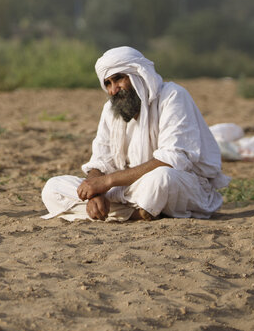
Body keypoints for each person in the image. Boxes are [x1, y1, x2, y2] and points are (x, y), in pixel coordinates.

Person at [41, 47, 229, 222]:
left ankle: (125, 211)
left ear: (139, 74)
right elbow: (100, 160)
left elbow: (172, 159)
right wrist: (94, 193)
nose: (113, 89)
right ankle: (137, 213)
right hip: (127, 187)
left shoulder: (173, 96)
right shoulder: (111, 109)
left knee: (163, 177)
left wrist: (106, 182)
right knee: (53, 187)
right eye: (108, 83)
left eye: (118, 79)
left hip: (180, 183)